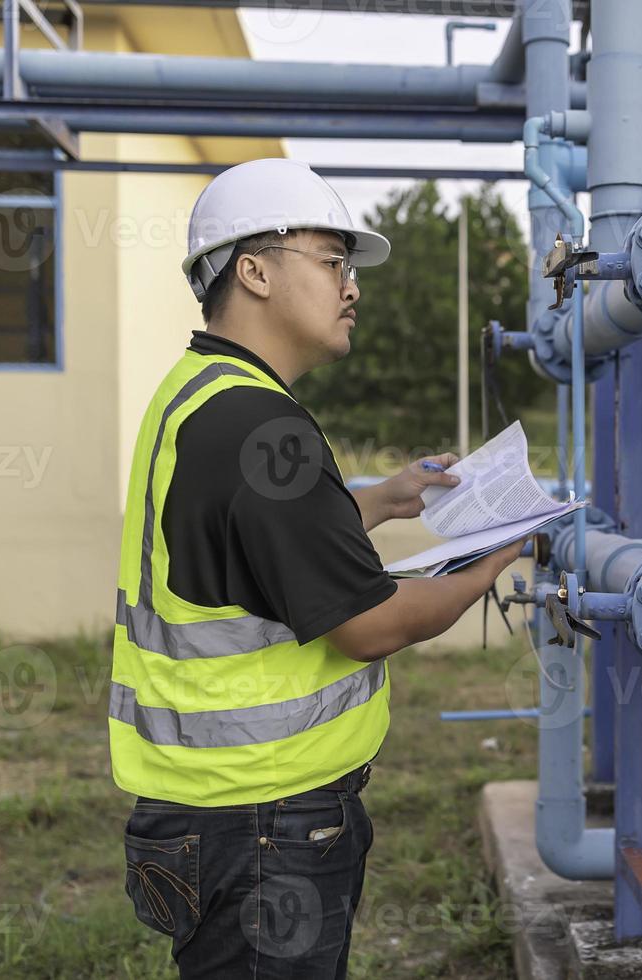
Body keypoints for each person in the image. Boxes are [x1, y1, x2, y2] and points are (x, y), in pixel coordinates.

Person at [108, 158, 523, 978]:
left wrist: (376, 500)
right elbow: (368, 626)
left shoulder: (199, 394)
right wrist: (494, 557)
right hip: (264, 821)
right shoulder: (267, 428)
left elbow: (243, 549)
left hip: (207, 811)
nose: (351, 286)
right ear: (254, 271)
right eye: (332, 261)